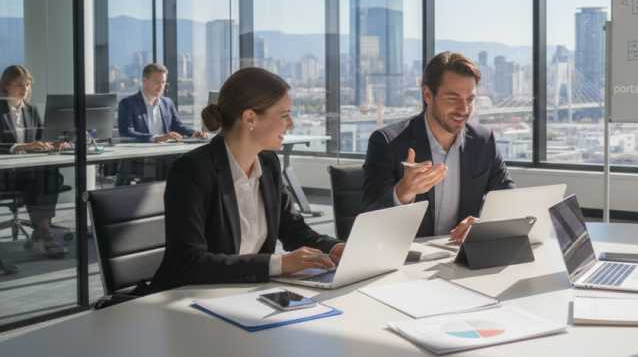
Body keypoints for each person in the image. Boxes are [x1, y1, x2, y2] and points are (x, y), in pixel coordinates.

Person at [145, 67, 344, 293]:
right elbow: (189, 263)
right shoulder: (192, 170)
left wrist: (334, 247)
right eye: (284, 115)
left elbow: (292, 229)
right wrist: (279, 263)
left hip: (245, 294)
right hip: (185, 299)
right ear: (250, 118)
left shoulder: (268, 163)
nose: (291, 124)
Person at [361, 52, 515, 240]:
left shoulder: (484, 140)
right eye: (453, 98)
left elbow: (509, 203)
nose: (464, 110)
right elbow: (368, 219)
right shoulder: (387, 143)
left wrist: (482, 224)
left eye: (470, 99)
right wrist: (403, 192)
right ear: (427, 94)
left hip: (463, 259)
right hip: (407, 260)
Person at [0, 65, 68, 257]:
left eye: (28, 85)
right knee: (39, 179)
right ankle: (45, 235)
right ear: (6, 86)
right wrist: (20, 147)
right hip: (6, 173)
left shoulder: (31, 109)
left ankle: (41, 234)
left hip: (30, 169)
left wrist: (53, 143)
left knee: (52, 174)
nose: (25, 89)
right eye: (19, 84)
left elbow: (41, 137)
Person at [117, 63, 208, 143]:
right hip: (140, 158)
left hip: (165, 155)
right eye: (156, 82)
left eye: (163, 82)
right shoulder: (128, 104)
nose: (161, 86)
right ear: (144, 81)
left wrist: (195, 133)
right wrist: (156, 138)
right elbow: (127, 134)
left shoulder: (167, 103)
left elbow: (178, 127)